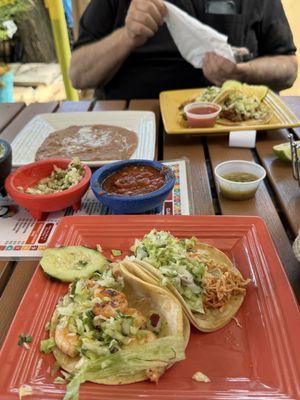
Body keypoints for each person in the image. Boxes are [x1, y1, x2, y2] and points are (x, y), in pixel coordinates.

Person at [70, 0, 298, 100]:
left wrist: (244, 71)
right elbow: (78, 75)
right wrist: (127, 36)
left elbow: (288, 69)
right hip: (133, 128)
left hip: (231, 130)